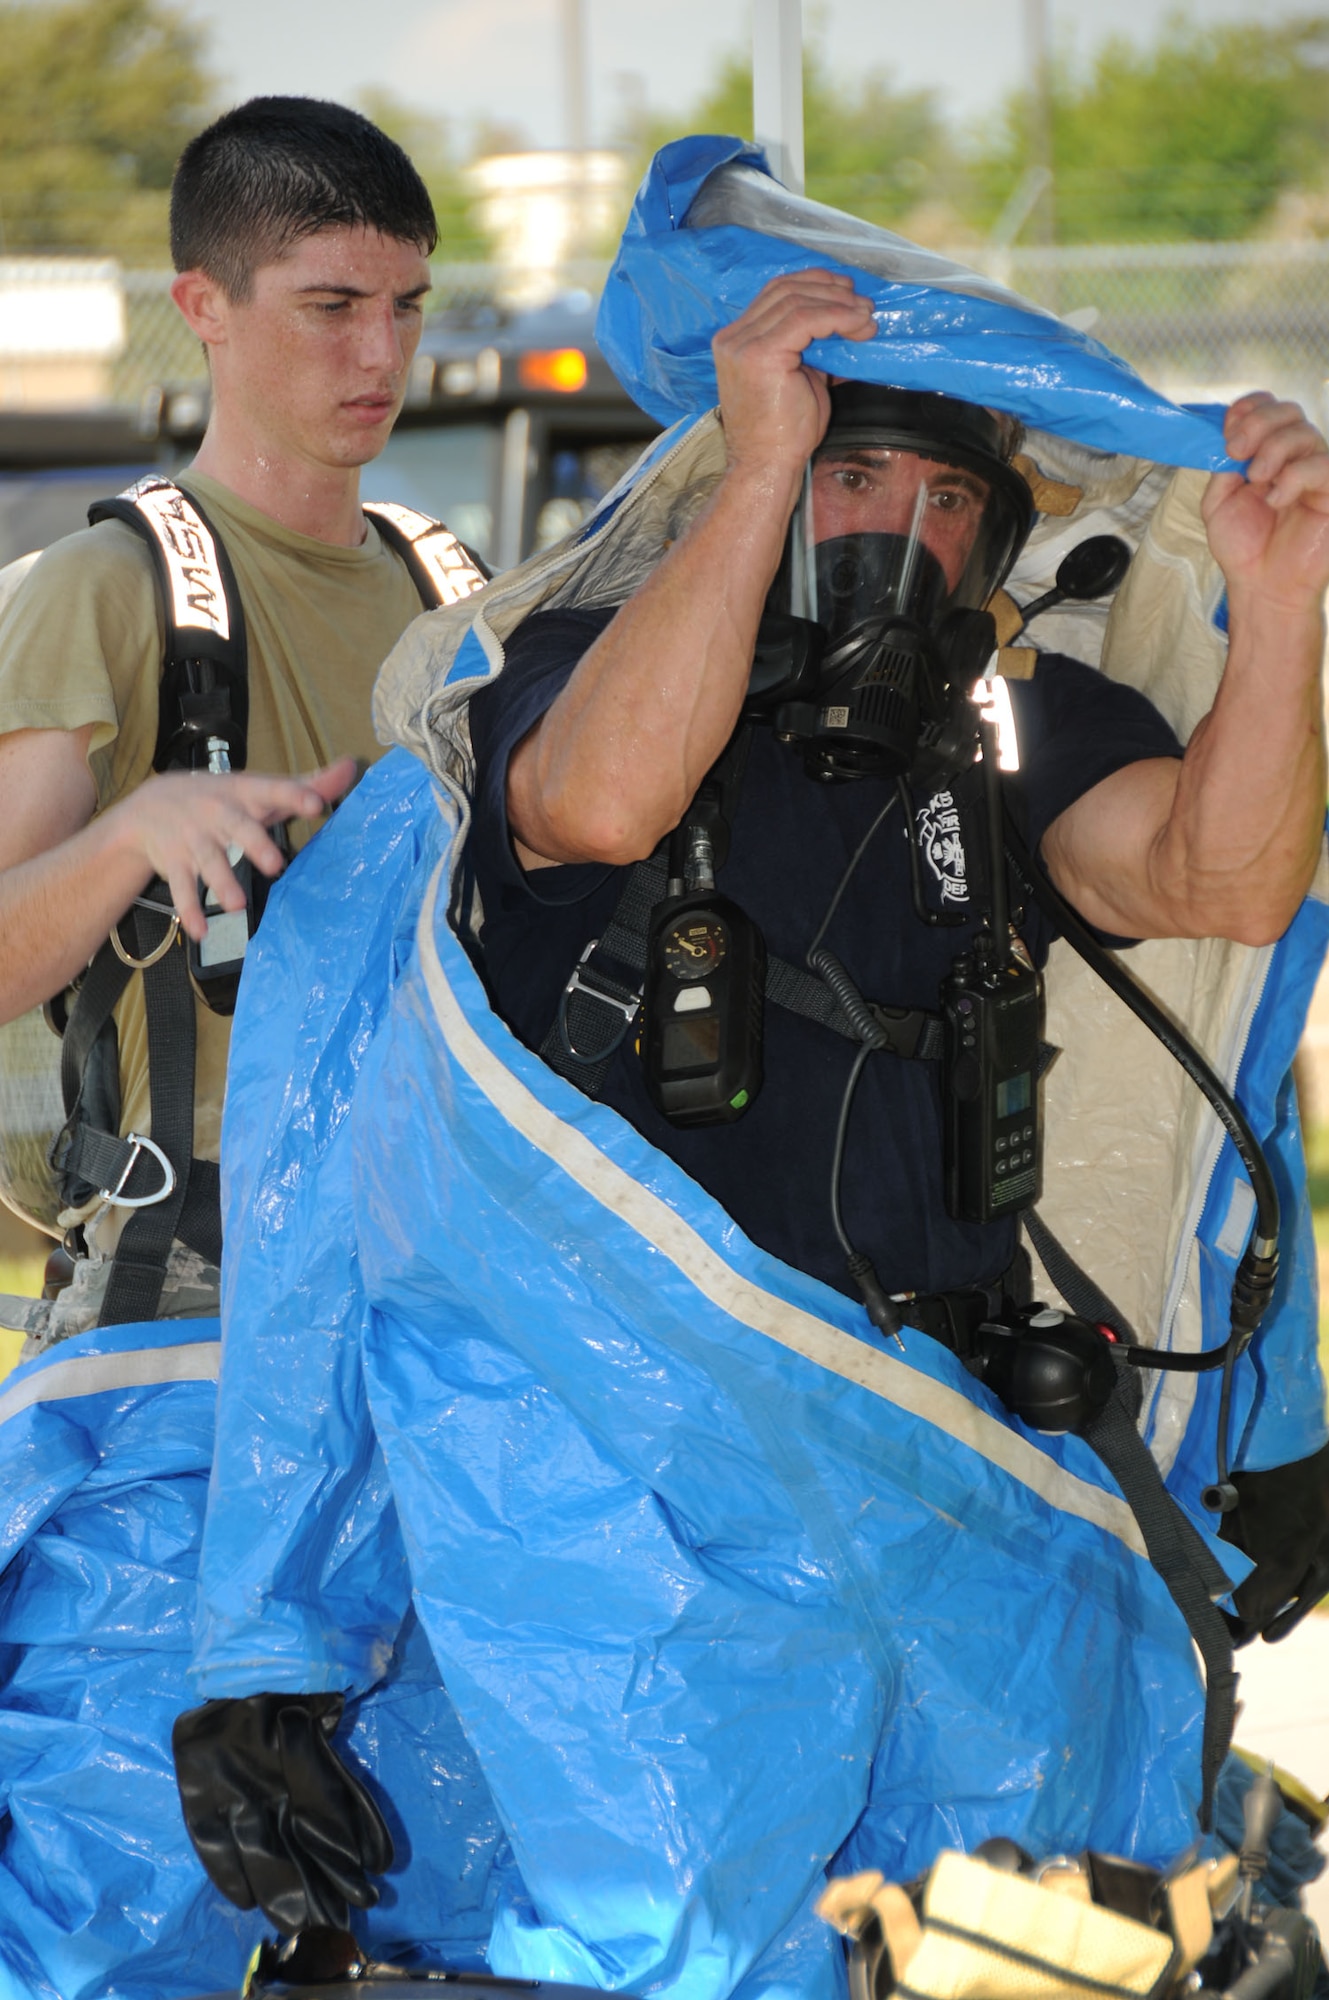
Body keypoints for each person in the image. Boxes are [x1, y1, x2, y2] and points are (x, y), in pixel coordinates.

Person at [464, 267, 1329, 1312]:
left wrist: (1282, 600)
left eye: (950, 497)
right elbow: (597, 805)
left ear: (990, 543)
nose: (904, 529)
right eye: (855, 475)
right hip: (624, 1375)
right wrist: (762, 463)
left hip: (915, 1394)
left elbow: (1223, 882)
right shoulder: (585, 659)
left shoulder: (1024, 719)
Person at [0, 94, 452, 1343]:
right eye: (331, 307)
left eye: (406, 305)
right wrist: (132, 830)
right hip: (194, 1289)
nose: (381, 355)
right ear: (202, 305)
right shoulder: (110, 586)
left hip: (442, 1263)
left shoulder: (457, 588)